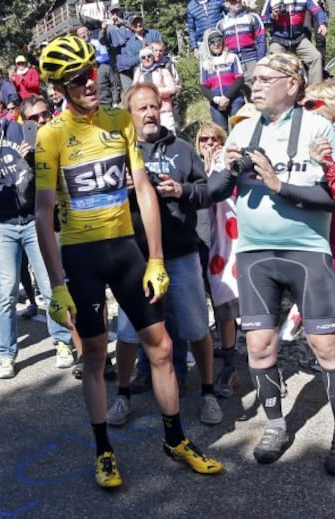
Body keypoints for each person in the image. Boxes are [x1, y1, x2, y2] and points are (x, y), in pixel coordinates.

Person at [36, 35, 223, 488]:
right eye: (77, 78)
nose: (89, 82)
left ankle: (175, 438)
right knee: (98, 353)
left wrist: (155, 258)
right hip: (81, 256)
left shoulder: (120, 121)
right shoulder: (51, 134)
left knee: (159, 347)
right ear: (60, 87)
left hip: (125, 250)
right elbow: (43, 214)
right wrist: (56, 284)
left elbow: (143, 190)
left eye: (92, 73)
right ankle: (103, 449)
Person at [208, 52, 335, 475]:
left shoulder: (320, 128)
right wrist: (225, 172)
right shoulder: (242, 129)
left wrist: (279, 185)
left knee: (326, 348)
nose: (254, 85)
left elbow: (332, 194)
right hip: (255, 253)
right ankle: (276, 425)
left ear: (293, 84)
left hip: (306, 250)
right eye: (252, 79)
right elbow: (216, 190)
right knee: (260, 347)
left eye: (265, 78)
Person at [107, 82, 223, 427]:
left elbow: (207, 192)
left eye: (154, 106)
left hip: (182, 253)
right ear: (129, 115)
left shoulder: (183, 148)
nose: (150, 113)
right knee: (128, 334)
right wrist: (121, 188)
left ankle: (207, 393)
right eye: (142, 108)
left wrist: (181, 189)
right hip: (135, 259)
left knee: (196, 328)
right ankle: (123, 396)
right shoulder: (117, 151)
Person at [0, 93, 74, 379]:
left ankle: (63, 343)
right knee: (6, 291)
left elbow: (42, 163)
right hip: (1, 224)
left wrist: (29, 157)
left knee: (48, 283)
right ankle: (6, 354)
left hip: (32, 219)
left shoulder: (14, 128)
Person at [195, 121, 240, 397]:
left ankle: (236, 362)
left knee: (236, 309)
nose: (209, 144)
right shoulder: (193, 168)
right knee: (212, 309)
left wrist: (217, 171)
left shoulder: (228, 166)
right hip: (203, 248)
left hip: (229, 248)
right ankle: (221, 362)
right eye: (203, 140)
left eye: (214, 139)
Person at [261, 0, 327, 84]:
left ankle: (315, 91)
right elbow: (263, 19)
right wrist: (273, 16)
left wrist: (322, 23)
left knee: (316, 57)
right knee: (274, 61)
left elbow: (318, 11)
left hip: (299, 38)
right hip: (279, 39)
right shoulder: (271, 1)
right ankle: (277, 90)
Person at [216, 0, 266, 96]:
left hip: (251, 61)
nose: (237, 2)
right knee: (236, 100)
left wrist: (260, 62)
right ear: (227, 4)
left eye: (239, 0)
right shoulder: (221, 24)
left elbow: (261, 41)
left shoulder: (252, 17)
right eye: (233, 1)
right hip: (232, 64)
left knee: (256, 96)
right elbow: (219, 48)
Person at [200, 29, 245, 132]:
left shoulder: (232, 58)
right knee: (221, 132)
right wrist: (216, 100)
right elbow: (203, 86)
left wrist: (226, 97)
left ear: (223, 42)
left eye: (219, 41)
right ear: (208, 45)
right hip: (216, 102)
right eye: (212, 42)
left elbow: (239, 79)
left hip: (234, 99)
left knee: (238, 128)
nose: (216, 45)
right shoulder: (205, 63)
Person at [133, 47, 177, 134]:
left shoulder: (163, 71)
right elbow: (134, 92)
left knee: (170, 135)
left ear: (153, 58)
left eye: (149, 56)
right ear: (140, 60)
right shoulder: (139, 75)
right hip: (148, 113)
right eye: (143, 57)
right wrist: (137, 75)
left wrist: (154, 92)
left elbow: (172, 89)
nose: (147, 59)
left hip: (164, 111)